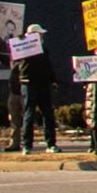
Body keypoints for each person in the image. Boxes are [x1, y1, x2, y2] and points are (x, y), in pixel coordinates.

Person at [13, 24, 58, 154]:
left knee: (48, 114)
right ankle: (27, 145)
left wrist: (53, 80)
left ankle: (51, 143)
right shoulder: (23, 48)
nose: (42, 36)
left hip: (43, 84)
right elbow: (17, 65)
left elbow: (47, 65)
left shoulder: (43, 49)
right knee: (29, 114)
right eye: (40, 34)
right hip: (28, 84)